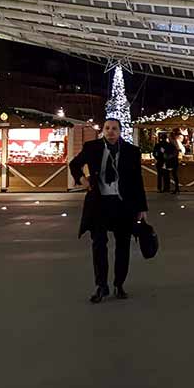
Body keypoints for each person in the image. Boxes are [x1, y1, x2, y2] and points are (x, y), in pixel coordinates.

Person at [69, 118, 148, 304]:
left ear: (120, 131)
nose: (110, 131)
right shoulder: (92, 147)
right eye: (107, 128)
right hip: (99, 203)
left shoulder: (131, 151)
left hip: (123, 204)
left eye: (114, 128)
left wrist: (141, 208)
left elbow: (137, 180)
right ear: (103, 130)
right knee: (99, 244)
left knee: (123, 244)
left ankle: (119, 284)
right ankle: (101, 286)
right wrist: (82, 180)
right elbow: (74, 165)